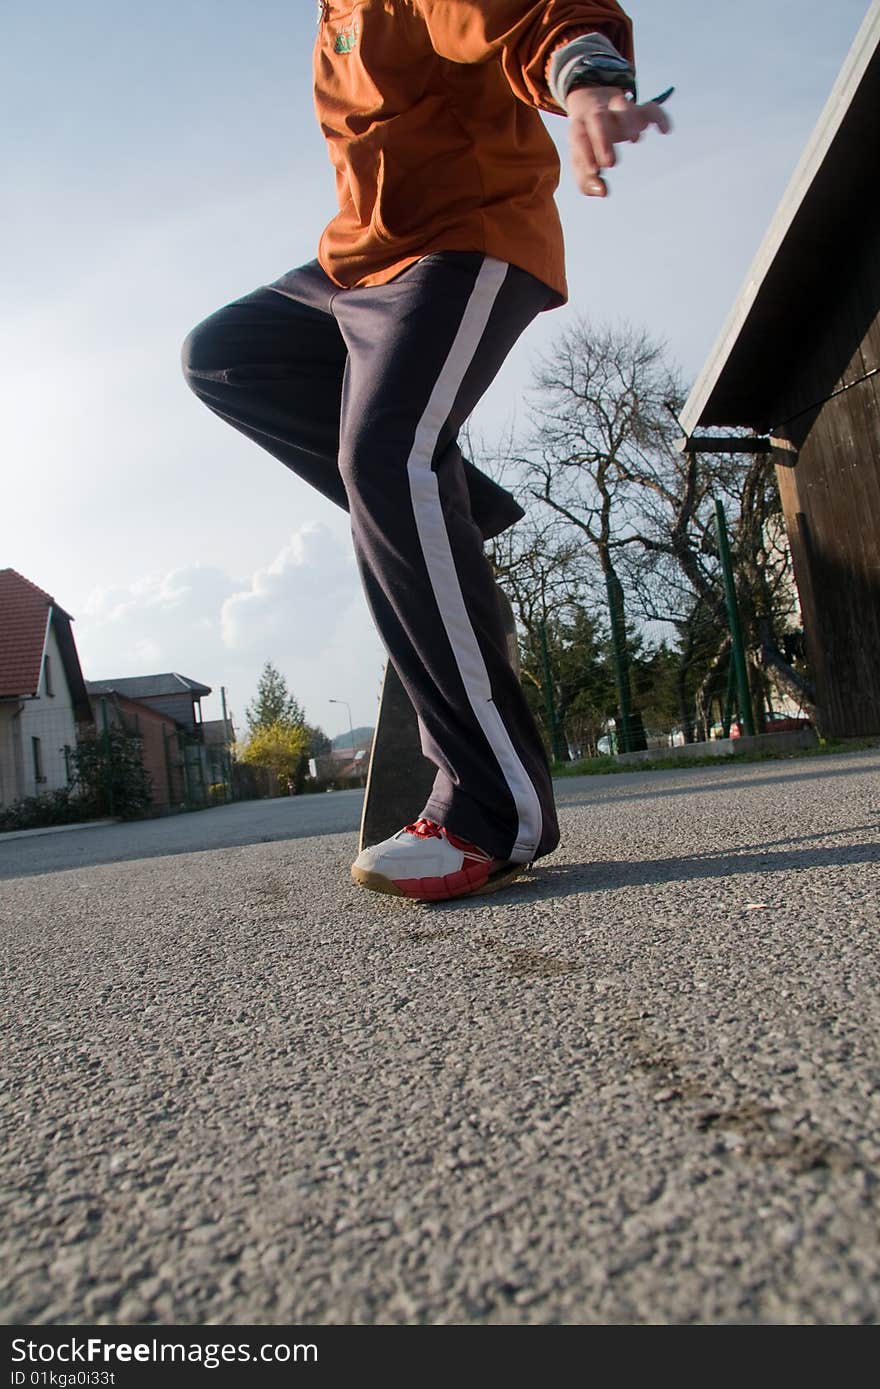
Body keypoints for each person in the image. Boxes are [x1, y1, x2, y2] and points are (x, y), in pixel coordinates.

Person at [182, 2, 671, 903]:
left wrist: (588, 76)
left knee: (384, 457)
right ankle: (450, 511)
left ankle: (493, 810)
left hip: (462, 244)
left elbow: (533, 15)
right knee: (226, 354)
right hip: (352, 270)